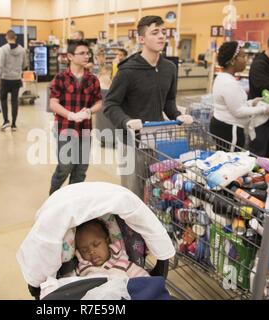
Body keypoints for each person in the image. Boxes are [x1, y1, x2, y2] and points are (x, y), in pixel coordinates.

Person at [103, 15, 192, 199]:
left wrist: (177, 115)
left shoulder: (169, 69)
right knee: (133, 193)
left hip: (158, 139)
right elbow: (110, 104)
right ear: (141, 39)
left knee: (158, 190)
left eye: (163, 32)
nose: (161, 36)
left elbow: (168, 101)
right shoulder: (127, 71)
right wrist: (126, 121)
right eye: (155, 32)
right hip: (132, 142)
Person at [48, 40, 102, 195]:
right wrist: (71, 115)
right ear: (70, 56)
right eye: (82, 53)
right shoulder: (60, 78)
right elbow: (53, 103)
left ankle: (72, 199)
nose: (87, 56)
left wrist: (89, 111)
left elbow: (99, 102)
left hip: (85, 130)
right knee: (65, 166)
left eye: (88, 53)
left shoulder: (92, 79)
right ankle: (53, 196)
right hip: (65, 129)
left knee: (81, 169)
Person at [210, 41, 269, 151]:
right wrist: (263, 109)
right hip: (230, 130)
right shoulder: (228, 83)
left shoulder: (223, 78)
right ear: (233, 61)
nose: (245, 60)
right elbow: (238, 111)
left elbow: (235, 104)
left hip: (223, 126)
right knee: (231, 163)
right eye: (242, 56)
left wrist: (252, 102)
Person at [75, 219, 149, 278]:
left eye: (96, 244)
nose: (91, 252)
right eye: (84, 250)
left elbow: (144, 280)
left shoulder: (121, 261)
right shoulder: (82, 268)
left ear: (107, 241)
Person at [0, 30, 26, 131]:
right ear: (16, 37)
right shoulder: (22, 50)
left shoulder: (4, 49)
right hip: (16, 79)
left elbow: (0, 66)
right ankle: (14, 124)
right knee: (14, 101)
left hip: (5, 78)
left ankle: (6, 121)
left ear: (6, 37)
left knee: (3, 100)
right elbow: (25, 64)